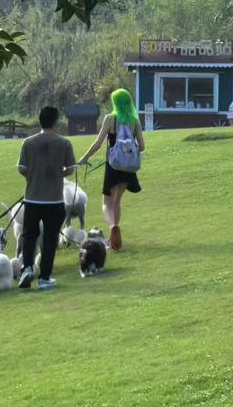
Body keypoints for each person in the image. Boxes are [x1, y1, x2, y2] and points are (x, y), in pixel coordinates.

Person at [16, 105, 77, 291]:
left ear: (39, 120)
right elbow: (71, 169)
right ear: (56, 121)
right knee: (50, 240)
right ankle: (44, 277)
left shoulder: (28, 142)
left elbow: (21, 168)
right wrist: (59, 174)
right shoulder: (64, 143)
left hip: (32, 199)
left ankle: (26, 267)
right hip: (54, 200)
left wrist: (33, 177)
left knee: (29, 236)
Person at [78, 88, 145, 251]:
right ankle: (113, 233)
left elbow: (98, 143)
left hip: (113, 166)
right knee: (117, 201)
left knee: (106, 202)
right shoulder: (135, 121)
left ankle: (113, 227)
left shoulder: (110, 119)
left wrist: (84, 159)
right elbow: (142, 147)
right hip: (128, 167)